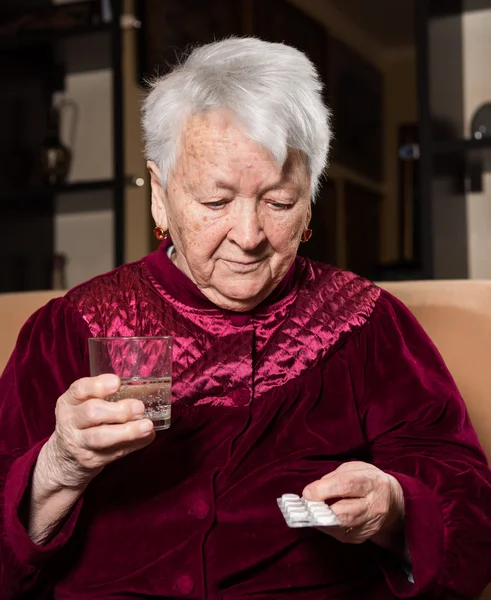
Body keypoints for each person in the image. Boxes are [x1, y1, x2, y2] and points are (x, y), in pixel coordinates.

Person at [1, 37, 491, 600]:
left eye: (279, 202)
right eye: (215, 202)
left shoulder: (367, 326)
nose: (250, 236)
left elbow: (471, 518)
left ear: (310, 198)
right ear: (160, 196)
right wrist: (58, 469)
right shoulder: (72, 327)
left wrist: (397, 508)